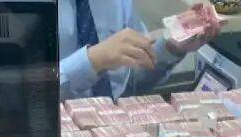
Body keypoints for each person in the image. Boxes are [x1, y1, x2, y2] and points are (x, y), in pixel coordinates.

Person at [59, 0, 221, 100]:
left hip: (114, 128)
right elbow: (40, 100)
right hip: (56, 135)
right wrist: (93, 61)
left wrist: (170, 47)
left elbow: (129, 81)